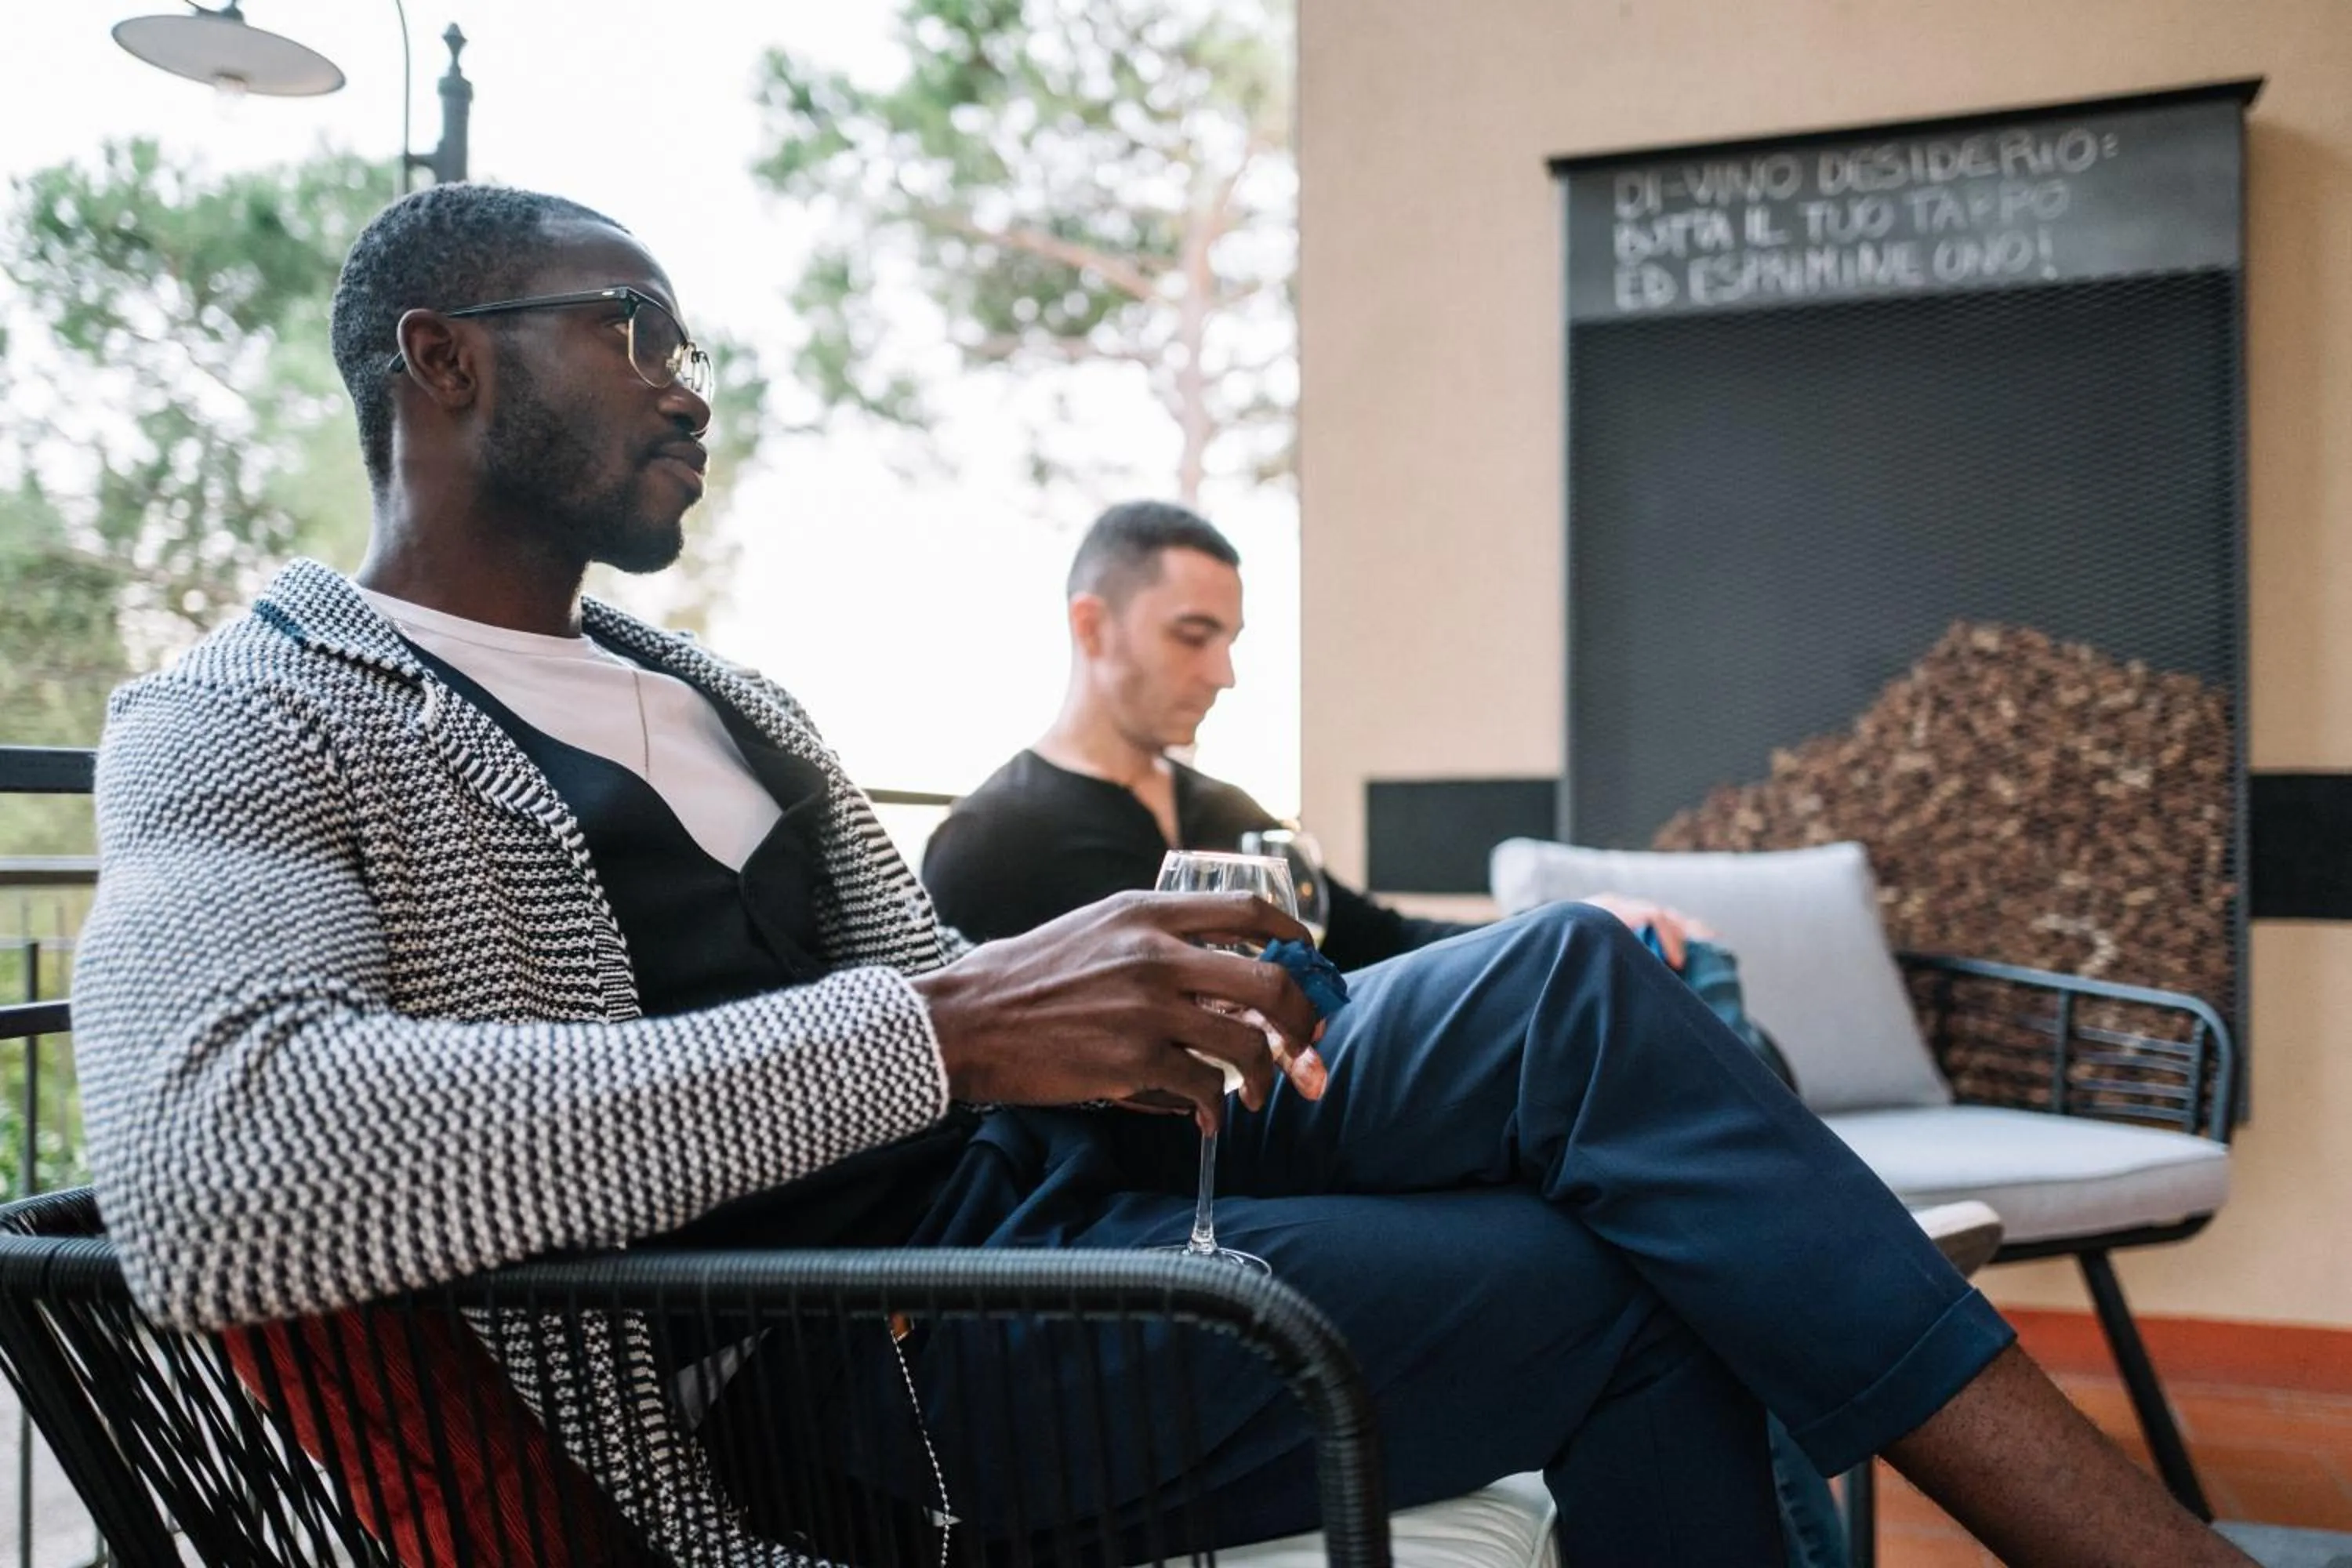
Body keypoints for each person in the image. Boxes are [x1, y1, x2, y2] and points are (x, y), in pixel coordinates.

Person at [69, 182, 2249, 1567]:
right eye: (629, 326)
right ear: (442, 360)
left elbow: (932, 1000)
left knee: (1575, 982)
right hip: (846, 1354)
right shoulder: (254, 715)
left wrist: (1080, 1004)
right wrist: (951, 1024)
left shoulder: (710, 690)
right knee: (1619, 1287)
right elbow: (216, 1162)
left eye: (688, 342)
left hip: (1026, 1180)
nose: (690, 385)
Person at [921, 501, 1477, 970]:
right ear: (1092, 627)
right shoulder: (989, 845)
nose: (1223, 675)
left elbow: (1385, 942)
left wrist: (1521, 940)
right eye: (1192, 637)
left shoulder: (1227, 811)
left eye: (1229, 642)